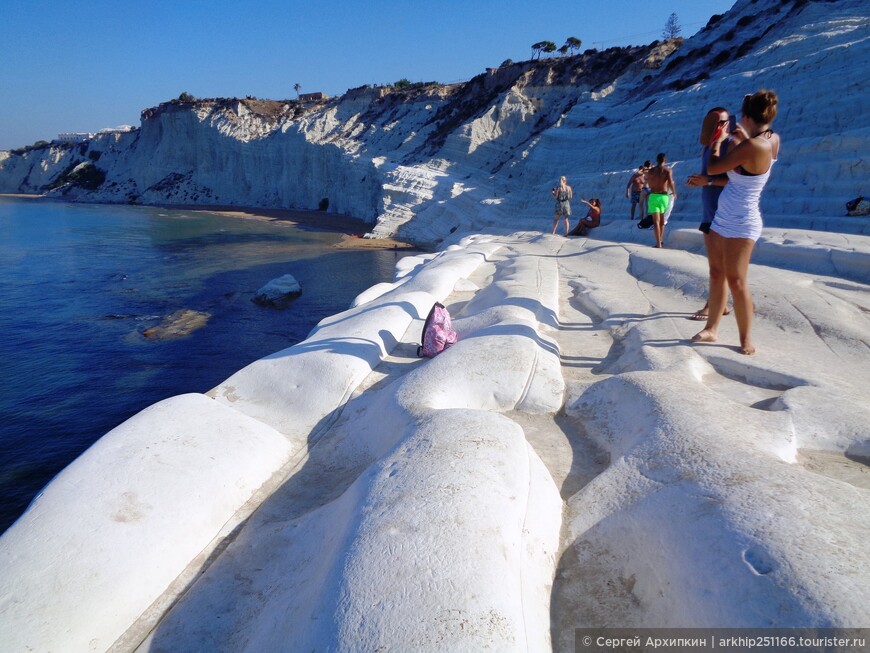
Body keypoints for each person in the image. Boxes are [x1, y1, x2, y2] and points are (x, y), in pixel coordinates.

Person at [692, 90, 780, 355]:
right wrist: (742, 138)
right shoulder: (768, 138)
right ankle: (712, 329)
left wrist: (717, 142)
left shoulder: (756, 145)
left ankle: (745, 339)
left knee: (737, 280)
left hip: (743, 220)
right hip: (725, 216)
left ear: (745, 116)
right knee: (717, 274)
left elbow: (715, 168)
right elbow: (749, 159)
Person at [686, 106, 735, 320]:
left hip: (724, 213)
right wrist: (700, 180)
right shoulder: (708, 147)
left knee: (718, 265)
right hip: (710, 211)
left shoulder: (731, 145)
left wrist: (708, 180)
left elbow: (737, 179)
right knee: (715, 264)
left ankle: (712, 305)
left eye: (721, 122)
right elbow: (709, 176)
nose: (718, 126)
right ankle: (720, 303)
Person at [646, 153, 677, 248]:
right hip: (664, 197)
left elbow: (649, 184)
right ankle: (661, 240)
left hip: (654, 196)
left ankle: (658, 243)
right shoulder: (668, 170)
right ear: (665, 160)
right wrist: (674, 193)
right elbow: (671, 182)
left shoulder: (651, 171)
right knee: (662, 221)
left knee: (656, 221)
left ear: (657, 160)